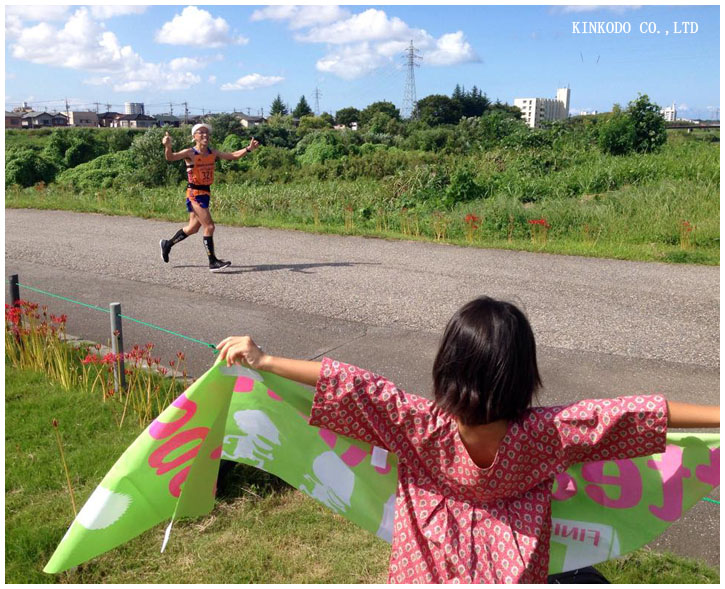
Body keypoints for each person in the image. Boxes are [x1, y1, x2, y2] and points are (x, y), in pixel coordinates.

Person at [215, 296, 720, 584]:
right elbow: (633, 414)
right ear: (525, 374)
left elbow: (349, 385)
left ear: (447, 369)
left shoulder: (417, 425)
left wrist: (264, 360)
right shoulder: (548, 434)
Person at [160, 124, 260, 272]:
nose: (205, 135)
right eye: (201, 133)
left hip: (205, 192)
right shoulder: (190, 153)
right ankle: (212, 262)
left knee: (193, 228)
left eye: (207, 133)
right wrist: (167, 145)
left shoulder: (212, 152)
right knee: (209, 226)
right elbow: (170, 157)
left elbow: (232, 156)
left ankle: (167, 244)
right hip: (194, 193)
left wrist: (248, 149)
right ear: (194, 136)